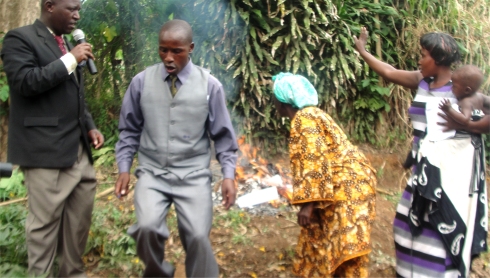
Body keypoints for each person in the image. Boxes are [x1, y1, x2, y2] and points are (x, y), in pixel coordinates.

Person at [354, 27, 489, 277]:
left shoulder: (461, 90)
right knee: (404, 230)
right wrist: (363, 51)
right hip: (421, 175)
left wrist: (468, 124)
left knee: (438, 238)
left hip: (448, 182)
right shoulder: (422, 81)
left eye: (423, 54)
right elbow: (389, 71)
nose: (419, 59)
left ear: (437, 60)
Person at [114, 19, 238, 277]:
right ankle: (158, 272)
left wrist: (228, 175)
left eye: (176, 51)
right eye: (163, 50)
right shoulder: (141, 82)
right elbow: (129, 130)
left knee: (197, 237)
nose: (168, 57)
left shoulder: (209, 86)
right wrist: (124, 167)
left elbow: (223, 136)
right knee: (146, 228)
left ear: (190, 48)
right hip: (152, 173)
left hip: (193, 175)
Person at [1, 0, 104, 276]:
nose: (77, 15)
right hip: (44, 149)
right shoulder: (19, 39)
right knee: (44, 226)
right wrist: (70, 59)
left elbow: (75, 94)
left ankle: (72, 272)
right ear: (49, 6)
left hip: (78, 148)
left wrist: (90, 125)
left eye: (79, 9)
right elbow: (25, 82)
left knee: (78, 221)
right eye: (71, 9)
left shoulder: (66, 43)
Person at [272, 72, 377, 277]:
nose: (273, 103)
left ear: (283, 100)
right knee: (327, 241)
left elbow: (313, 159)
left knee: (347, 251)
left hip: (347, 189)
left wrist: (308, 205)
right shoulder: (315, 114)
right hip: (354, 185)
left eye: (274, 98)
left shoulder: (303, 119)